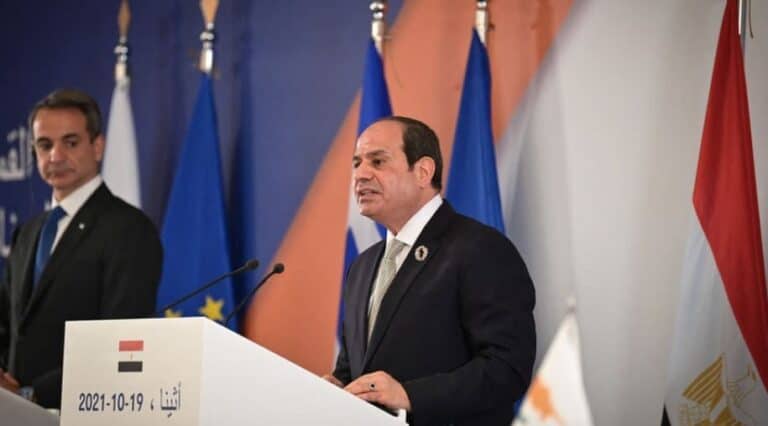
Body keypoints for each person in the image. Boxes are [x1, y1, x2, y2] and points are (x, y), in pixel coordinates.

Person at [327, 116, 536, 425]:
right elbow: (354, 369)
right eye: (357, 163)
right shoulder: (362, 266)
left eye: (378, 161)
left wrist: (410, 396)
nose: (360, 174)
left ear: (423, 172)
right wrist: (336, 387)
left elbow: (507, 368)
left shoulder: (481, 249)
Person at [0, 89, 162, 408]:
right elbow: (7, 322)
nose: (55, 156)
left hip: (83, 413)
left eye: (70, 143)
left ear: (97, 146)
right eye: (44, 145)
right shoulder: (28, 232)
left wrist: (33, 394)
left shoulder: (129, 229)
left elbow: (119, 340)